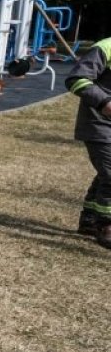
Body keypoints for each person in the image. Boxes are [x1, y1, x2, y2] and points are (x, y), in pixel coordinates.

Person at [65, 37, 111, 248]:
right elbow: (77, 79)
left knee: (106, 173)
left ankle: (90, 220)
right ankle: (106, 225)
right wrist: (104, 102)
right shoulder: (106, 48)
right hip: (98, 123)